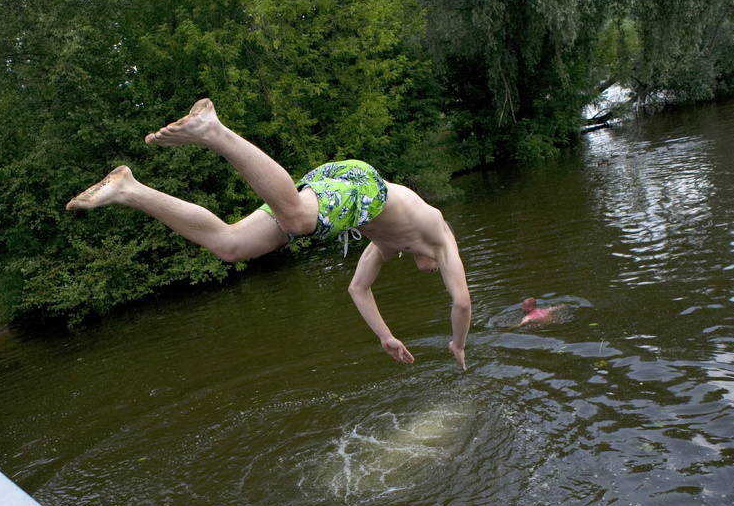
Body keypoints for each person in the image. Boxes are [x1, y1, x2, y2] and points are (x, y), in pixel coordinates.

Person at [67, 99, 471, 367]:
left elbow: (358, 290)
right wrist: (458, 344)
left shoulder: (388, 246)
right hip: (366, 186)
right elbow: (463, 302)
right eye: (437, 268)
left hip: (342, 190)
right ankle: (213, 130)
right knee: (297, 220)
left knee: (230, 245)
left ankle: (129, 189)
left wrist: (385, 336)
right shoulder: (440, 235)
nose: (434, 271)